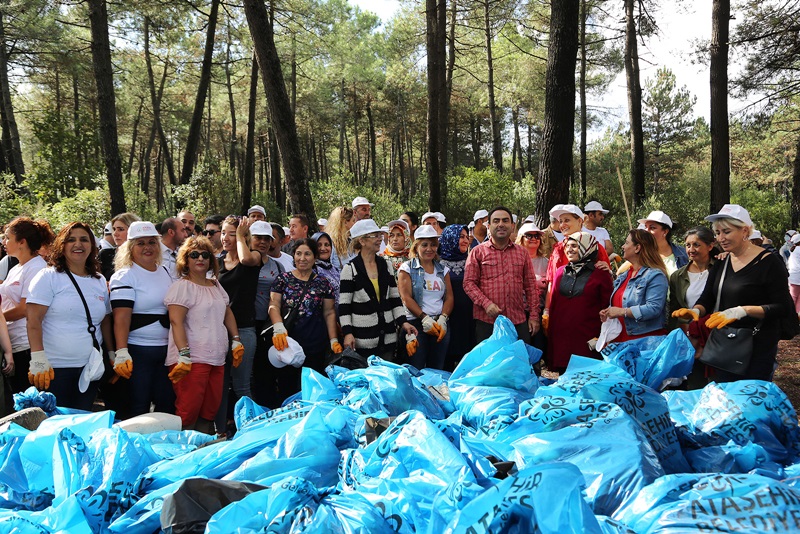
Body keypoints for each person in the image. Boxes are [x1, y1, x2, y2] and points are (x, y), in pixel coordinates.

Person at [673, 204, 795, 382]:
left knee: (749, 402)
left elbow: (783, 307)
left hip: (757, 346)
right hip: (725, 345)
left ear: (745, 231)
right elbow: (708, 297)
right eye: (717, 233)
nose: (721, 238)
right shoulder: (722, 262)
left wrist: (743, 311)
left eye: (726, 232)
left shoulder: (769, 263)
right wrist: (696, 311)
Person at [26, 222, 114, 411]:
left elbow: (105, 320)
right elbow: (33, 320)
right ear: (61, 245)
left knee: (80, 423)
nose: (78, 244)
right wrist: (38, 358)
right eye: (71, 240)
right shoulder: (48, 277)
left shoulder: (98, 281)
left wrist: (112, 353)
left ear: (92, 245)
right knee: (54, 425)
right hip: (53, 370)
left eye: (84, 239)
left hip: (89, 368)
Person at [165, 236, 242, 433]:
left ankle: (204, 446)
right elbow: (176, 321)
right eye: (194, 254)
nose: (200, 258)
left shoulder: (215, 284)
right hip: (191, 360)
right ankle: (183, 450)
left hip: (217, 358)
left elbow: (227, 312)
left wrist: (236, 340)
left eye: (205, 255)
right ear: (185, 259)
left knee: (210, 408)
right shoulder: (181, 287)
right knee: (188, 409)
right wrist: (184, 354)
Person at [109, 221, 175, 417]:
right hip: (138, 352)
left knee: (167, 404)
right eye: (140, 243)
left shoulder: (164, 271)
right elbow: (121, 318)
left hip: (165, 351)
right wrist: (121, 352)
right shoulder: (124, 276)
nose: (147, 247)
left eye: (152, 242)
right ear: (130, 247)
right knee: (138, 406)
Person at [269, 238, 340, 400]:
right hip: (288, 344)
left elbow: (329, 313)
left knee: (312, 389)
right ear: (293, 256)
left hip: (315, 344)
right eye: (298, 253)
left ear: (315, 257)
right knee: (287, 388)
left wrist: (333, 340)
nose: (302, 258)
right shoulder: (283, 280)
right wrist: (278, 327)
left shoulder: (323, 283)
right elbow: (274, 305)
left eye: (307, 254)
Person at [339, 219, 418, 360]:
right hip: (362, 341)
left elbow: (395, 299)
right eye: (374, 236)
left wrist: (403, 322)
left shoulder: (386, 265)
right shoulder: (350, 269)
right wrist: (347, 333)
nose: (379, 240)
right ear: (362, 241)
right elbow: (344, 307)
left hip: (388, 340)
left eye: (379, 235)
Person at [464, 206, 540, 344]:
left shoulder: (522, 253)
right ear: (489, 226)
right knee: (491, 364)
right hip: (488, 322)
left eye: (505, 221)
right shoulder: (477, 252)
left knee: (520, 362)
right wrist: (486, 304)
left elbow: (530, 286)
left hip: (517, 320)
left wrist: (534, 316)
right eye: (496, 221)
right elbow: (468, 284)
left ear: (512, 226)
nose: (501, 224)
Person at [0, 217, 55, 400]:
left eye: (7, 237)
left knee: (30, 401)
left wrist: (1, 317)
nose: (3, 241)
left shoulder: (37, 268)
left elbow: (25, 308)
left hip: (26, 345)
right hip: (14, 342)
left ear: (22, 242)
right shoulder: (17, 267)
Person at [546, 232, 613, 373]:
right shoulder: (559, 272)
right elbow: (554, 307)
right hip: (561, 341)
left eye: (575, 246)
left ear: (587, 247)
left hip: (587, 341)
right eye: (567, 246)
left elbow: (607, 308)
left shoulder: (601, 274)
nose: (569, 249)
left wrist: (602, 339)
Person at [217, 216, 261, 422]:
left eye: (231, 234)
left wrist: (242, 238)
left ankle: (252, 427)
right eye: (223, 232)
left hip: (243, 330)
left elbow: (244, 260)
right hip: (217, 331)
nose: (225, 238)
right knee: (220, 384)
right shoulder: (216, 262)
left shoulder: (254, 256)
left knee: (241, 385)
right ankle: (222, 428)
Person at [397, 225, 453, 370]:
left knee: (437, 369)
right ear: (416, 247)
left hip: (439, 324)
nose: (429, 249)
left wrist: (443, 318)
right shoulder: (407, 268)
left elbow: (449, 297)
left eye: (433, 245)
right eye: (425, 245)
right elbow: (406, 298)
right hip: (416, 325)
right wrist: (424, 318)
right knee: (416, 369)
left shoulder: (443, 269)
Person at [600, 229, 669, 343]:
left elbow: (654, 308)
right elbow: (618, 303)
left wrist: (622, 312)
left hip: (644, 342)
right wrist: (608, 312)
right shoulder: (624, 276)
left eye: (627, 243)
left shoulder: (656, 276)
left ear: (637, 248)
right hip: (621, 339)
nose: (623, 246)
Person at [249, 220, 285, 407]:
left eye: (266, 239)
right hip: (246, 324)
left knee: (265, 371)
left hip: (269, 325)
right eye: (258, 238)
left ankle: (268, 408)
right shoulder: (243, 262)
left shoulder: (277, 266)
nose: (262, 242)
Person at [438, 223, 475, 370]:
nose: (465, 240)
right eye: (461, 237)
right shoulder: (436, 264)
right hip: (446, 316)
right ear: (450, 238)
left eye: (467, 237)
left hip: (468, 317)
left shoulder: (472, 261)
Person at [668, 226, 717, 331]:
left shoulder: (720, 269)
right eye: (688, 245)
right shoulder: (677, 277)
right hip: (688, 333)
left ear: (710, 246)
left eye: (696, 245)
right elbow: (674, 310)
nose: (691, 250)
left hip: (715, 330)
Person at [516, 222, 549, 352]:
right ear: (521, 238)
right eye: (529, 236)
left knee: (537, 349)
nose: (534, 239)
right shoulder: (515, 261)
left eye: (537, 236)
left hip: (539, 311)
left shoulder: (546, 262)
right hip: (518, 312)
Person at [638, 210, 688, 276]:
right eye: (646, 227)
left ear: (665, 232)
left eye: (652, 228)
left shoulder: (684, 254)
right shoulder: (641, 255)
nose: (646, 231)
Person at [99, 212, 141, 280]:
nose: (115, 234)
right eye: (114, 229)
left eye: (121, 229)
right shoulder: (105, 255)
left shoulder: (144, 254)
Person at [311, 231, 341, 306]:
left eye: (327, 245)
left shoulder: (334, 268)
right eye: (319, 245)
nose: (323, 248)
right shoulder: (312, 270)